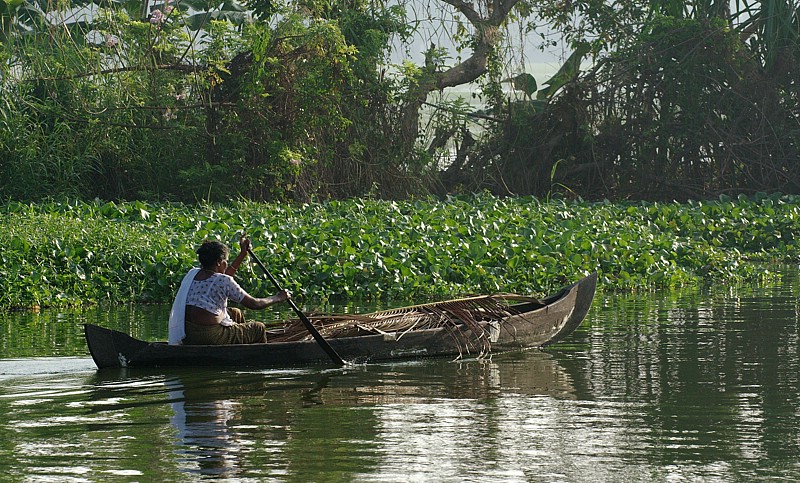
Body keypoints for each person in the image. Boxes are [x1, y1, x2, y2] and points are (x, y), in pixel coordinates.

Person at [168, 237, 290, 345]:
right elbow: (254, 304)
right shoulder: (222, 280)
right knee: (258, 328)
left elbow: (223, 277)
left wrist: (243, 254)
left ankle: (239, 345)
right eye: (226, 260)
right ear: (218, 262)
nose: (227, 263)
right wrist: (278, 297)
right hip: (208, 336)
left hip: (187, 332)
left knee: (235, 313)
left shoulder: (193, 273)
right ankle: (253, 357)